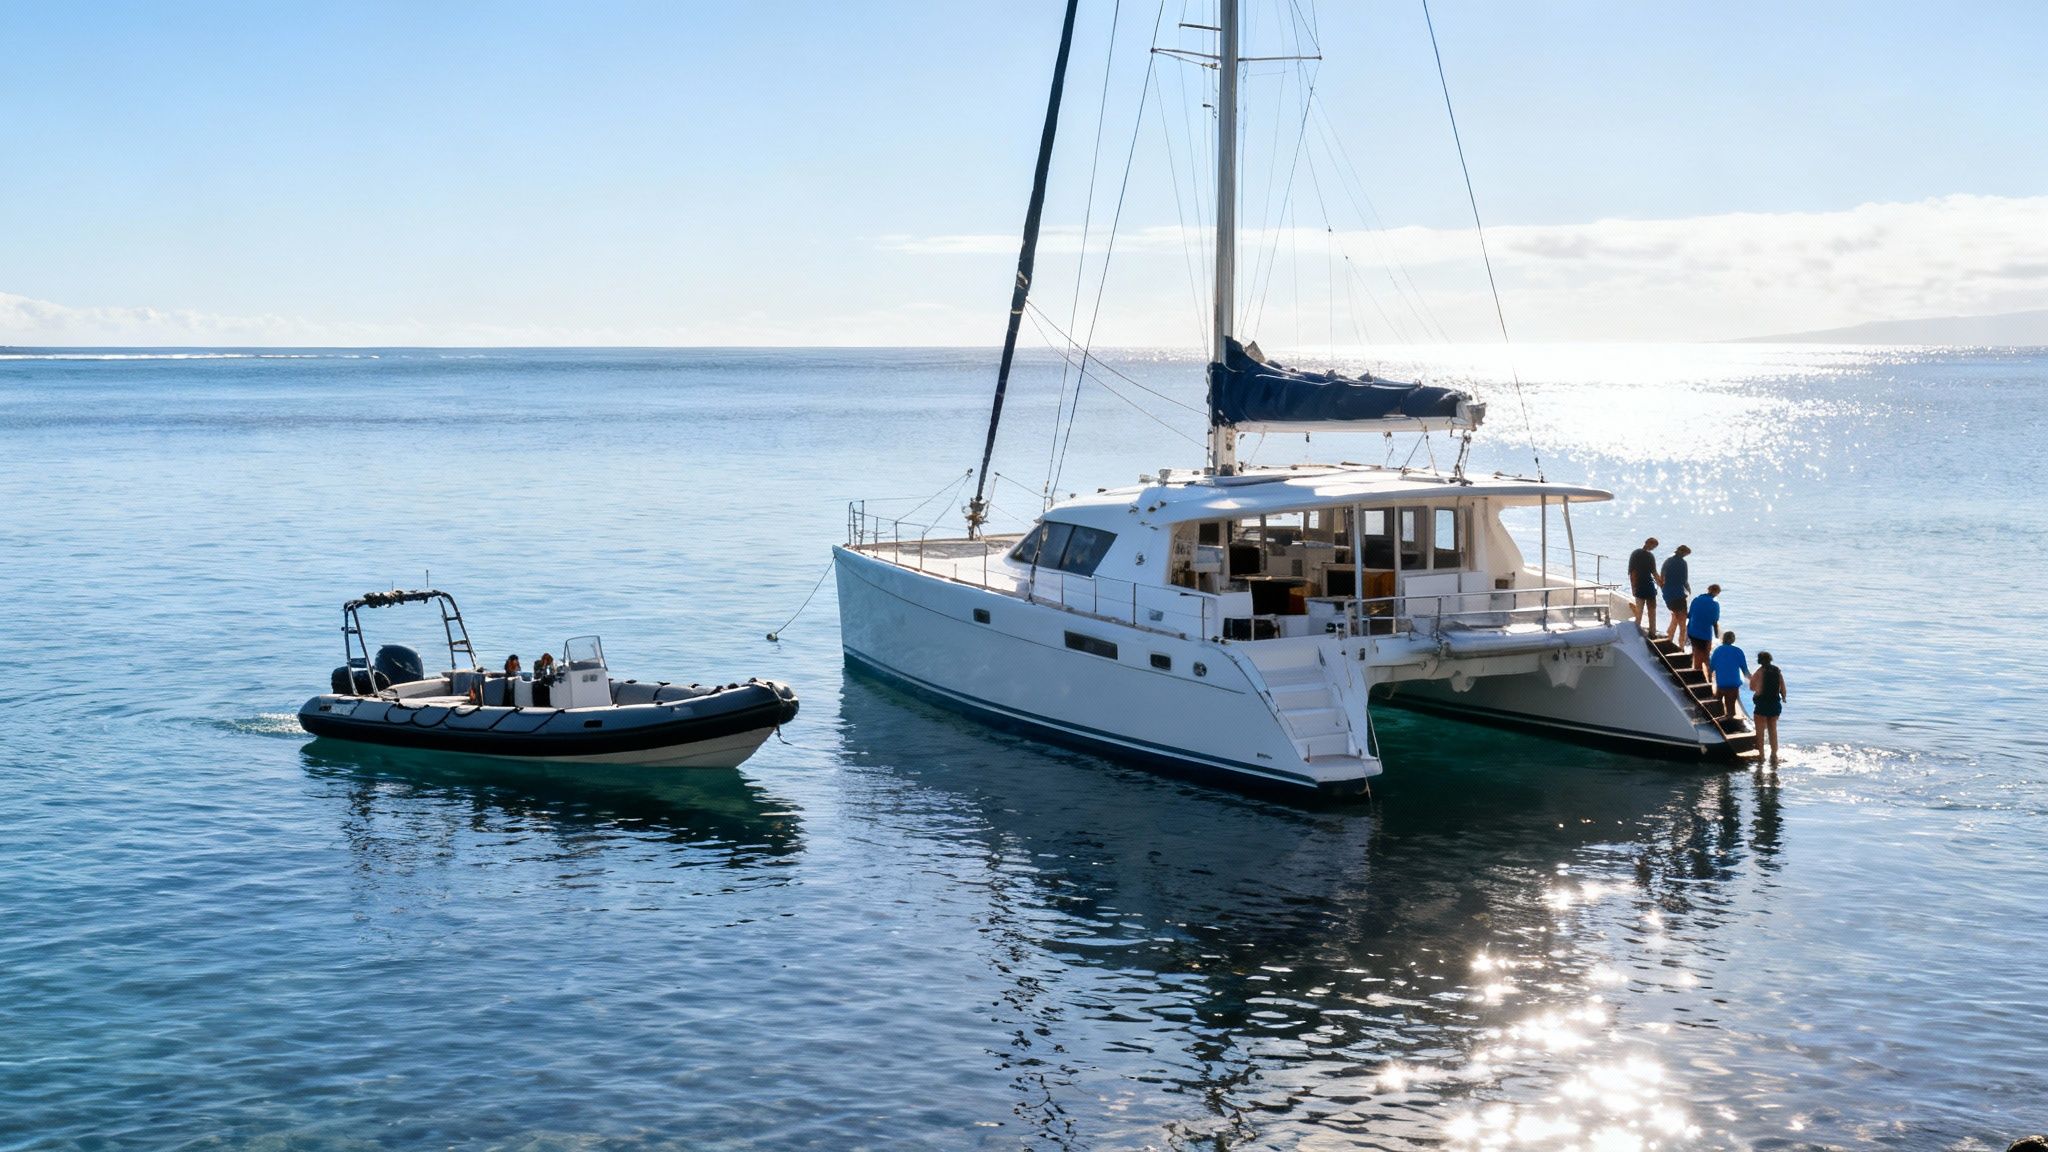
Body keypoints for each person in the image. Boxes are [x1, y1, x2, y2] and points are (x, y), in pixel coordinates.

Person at [1749, 651, 1787, 766]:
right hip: (1774, 704)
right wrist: (1783, 697)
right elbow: (1783, 688)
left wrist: (1757, 690)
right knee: (1773, 730)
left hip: (1762, 704)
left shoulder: (1759, 672)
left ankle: (1761, 755)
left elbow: (1752, 687)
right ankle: (1774, 755)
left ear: (1759, 661)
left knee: (1760, 731)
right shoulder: (1777, 671)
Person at [1709, 630, 1749, 723]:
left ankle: (1718, 716)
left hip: (1721, 683)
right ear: (1733, 640)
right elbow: (1745, 671)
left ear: (1723, 639)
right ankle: (1730, 717)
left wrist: (1709, 679)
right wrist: (1753, 681)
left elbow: (1711, 668)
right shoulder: (1738, 651)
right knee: (1731, 708)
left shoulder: (1717, 651)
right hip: (1734, 684)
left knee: (1717, 698)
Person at [1626, 536, 1662, 632]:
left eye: (1654, 547)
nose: (1653, 548)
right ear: (1647, 543)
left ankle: (1643, 631)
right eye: (1653, 546)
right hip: (1644, 586)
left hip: (1644, 586)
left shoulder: (1638, 554)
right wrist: (1633, 587)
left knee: (1643, 611)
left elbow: (1653, 573)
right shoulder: (1641, 554)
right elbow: (1633, 573)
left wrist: (1660, 583)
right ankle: (1651, 632)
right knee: (1648, 611)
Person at [1686, 584, 1722, 675]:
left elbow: (1689, 615)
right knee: (1706, 657)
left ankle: (1695, 669)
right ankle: (1705, 677)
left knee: (1696, 652)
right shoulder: (1715, 604)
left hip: (1691, 631)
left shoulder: (1696, 599)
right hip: (1704, 634)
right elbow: (1714, 621)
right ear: (1717, 593)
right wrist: (1717, 635)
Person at [1660, 545, 1692, 643]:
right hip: (1678, 595)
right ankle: (1681, 647)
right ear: (1683, 553)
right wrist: (1689, 590)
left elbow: (1662, 576)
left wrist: (1664, 589)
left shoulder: (1668, 561)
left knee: (1675, 617)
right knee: (1682, 624)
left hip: (1668, 596)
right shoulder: (1683, 563)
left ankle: (1668, 639)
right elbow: (1684, 580)